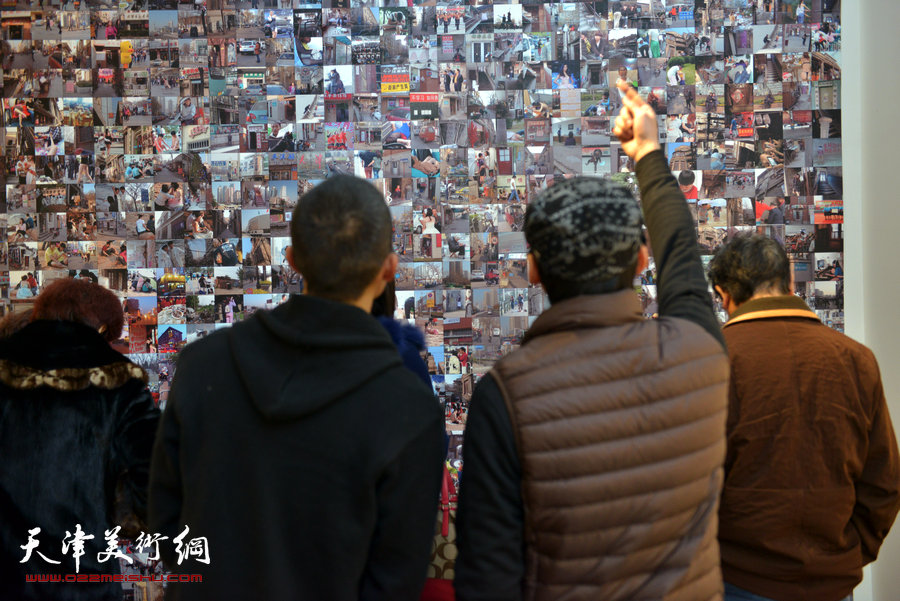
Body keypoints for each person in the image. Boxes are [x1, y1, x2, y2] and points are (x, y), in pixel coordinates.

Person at [455, 80, 729, 601]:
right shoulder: (698, 352)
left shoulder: (506, 396)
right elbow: (685, 260)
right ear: (641, 261)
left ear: (532, 269)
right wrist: (647, 152)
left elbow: (487, 577)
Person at [149, 175, 445, 600]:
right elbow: (396, 575)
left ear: (291, 259)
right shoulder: (408, 404)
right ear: (389, 269)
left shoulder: (202, 365)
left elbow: (165, 521)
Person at [706, 234, 900, 601]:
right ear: (791, 282)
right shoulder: (856, 359)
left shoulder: (710, 361)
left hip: (734, 577)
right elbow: (884, 482)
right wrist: (846, 557)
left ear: (723, 294)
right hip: (832, 579)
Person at [0, 279, 158, 600]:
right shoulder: (120, 383)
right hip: (82, 581)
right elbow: (153, 476)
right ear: (101, 328)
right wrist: (121, 519)